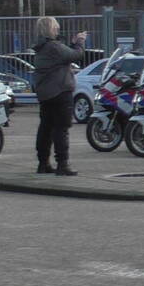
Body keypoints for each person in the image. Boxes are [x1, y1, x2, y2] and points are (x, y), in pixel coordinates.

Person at [33, 17, 87, 176]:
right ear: (51, 29)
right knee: (61, 128)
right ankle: (62, 164)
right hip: (60, 91)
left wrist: (71, 44)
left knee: (45, 128)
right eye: (56, 27)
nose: (58, 30)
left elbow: (63, 56)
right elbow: (76, 55)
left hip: (45, 93)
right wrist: (80, 42)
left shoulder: (41, 47)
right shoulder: (53, 46)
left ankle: (43, 163)